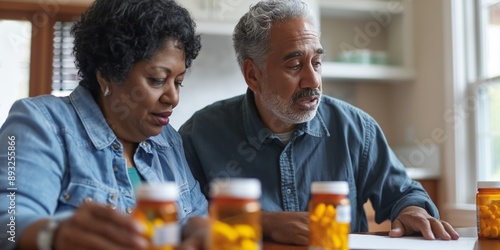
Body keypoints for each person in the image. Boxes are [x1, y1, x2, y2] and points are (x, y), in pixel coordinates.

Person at [179, 0, 460, 245]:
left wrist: (412, 210)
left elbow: (404, 193)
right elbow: (182, 221)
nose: (313, 81)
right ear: (253, 75)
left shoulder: (357, 129)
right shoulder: (199, 135)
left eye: (317, 62)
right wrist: (264, 223)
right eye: (294, 65)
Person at [0, 0, 209, 249]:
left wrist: (197, 227)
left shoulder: (168, 142)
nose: (173, 97)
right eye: (157, 80)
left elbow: (197, 218)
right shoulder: (41, 123)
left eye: (178, 82)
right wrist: (53, 235)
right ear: (107, 74)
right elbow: (9, 224)